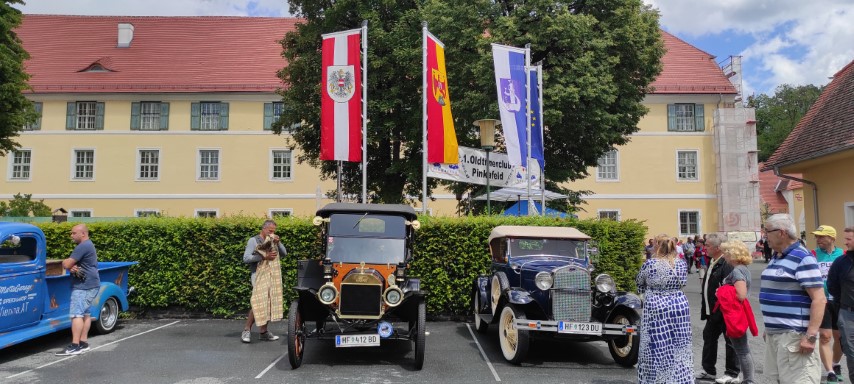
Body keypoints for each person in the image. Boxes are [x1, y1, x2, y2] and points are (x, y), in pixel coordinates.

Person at [760, 214, 826, 384]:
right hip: (776, 336)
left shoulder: (802, 258)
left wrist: (810, 336)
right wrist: (770, 327)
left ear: (782, 233)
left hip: (795, 338)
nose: (764, 236)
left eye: (767, 231)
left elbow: (819, 299)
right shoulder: (777, 256)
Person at [636, 234, 693, 383]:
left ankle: (655, 379)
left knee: (655, 344)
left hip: (656, 305)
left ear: (657, 246)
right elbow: (684, 282)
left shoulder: (650, 264)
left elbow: (639, 284)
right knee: (680, 344)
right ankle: (679, 379)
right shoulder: (681, 264)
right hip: (679, 305)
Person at [696, 233, 740, 383]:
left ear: (717, 248)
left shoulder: (726, 263)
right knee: (708, 337)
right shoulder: (713, 260)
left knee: (730, 342)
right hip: (712, 311)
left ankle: (732, 373)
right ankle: (708, 370)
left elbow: (729, 289)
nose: (704, 248)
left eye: (707, 245)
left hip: (724, 311)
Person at [56, 224, 101, 356]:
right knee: (85, 314)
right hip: (92, 284)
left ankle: (75, 345)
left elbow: (66, 264)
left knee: (76, 314)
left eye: (74, 233)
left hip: (83, 286)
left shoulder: (82, 246)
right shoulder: (89, 245)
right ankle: (83, 343)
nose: (71, 236)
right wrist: (73, 267)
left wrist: (68, 264)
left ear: (83, 234)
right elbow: (75, 265)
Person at [717, 241, 758, 384]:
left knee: (741, 349)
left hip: (735, 313)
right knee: (742, 348)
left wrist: (721, 291)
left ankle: (749, 380)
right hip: (738, 312)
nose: (724, 256)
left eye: (726, 253)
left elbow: (741, 294)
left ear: (733, 254)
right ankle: (748, 379)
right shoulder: (743, 268)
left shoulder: (737, 271)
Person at [241, 220, 286, 343]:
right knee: (258, 301)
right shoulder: (253, 240)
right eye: (270, 231)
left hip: (271, 274)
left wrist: (278, 242)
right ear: (264, 229)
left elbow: (284, 254)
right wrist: (263, 256)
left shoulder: (272, 240)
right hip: (258, 274)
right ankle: (246, 330)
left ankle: (263, 332)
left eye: (273, 231)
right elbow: (246, 258)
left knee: (268, 302)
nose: (272, 233)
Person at [813, 225, 845, 383]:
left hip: (839, 301)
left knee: (840, 337)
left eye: (821, 236)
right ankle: (830, 372)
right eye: (817, 237)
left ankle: (836, 363)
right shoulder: (813, 255)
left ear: (832, 238)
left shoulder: (843, 255)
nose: (818, 239)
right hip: (822, 301)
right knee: (825, 336)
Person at [828, 227, 854, 383]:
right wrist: (844, 300)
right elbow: (832, 286)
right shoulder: (841, 262)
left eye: (849, 239)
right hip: (848, 313)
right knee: (851, 352)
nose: (845, 242)